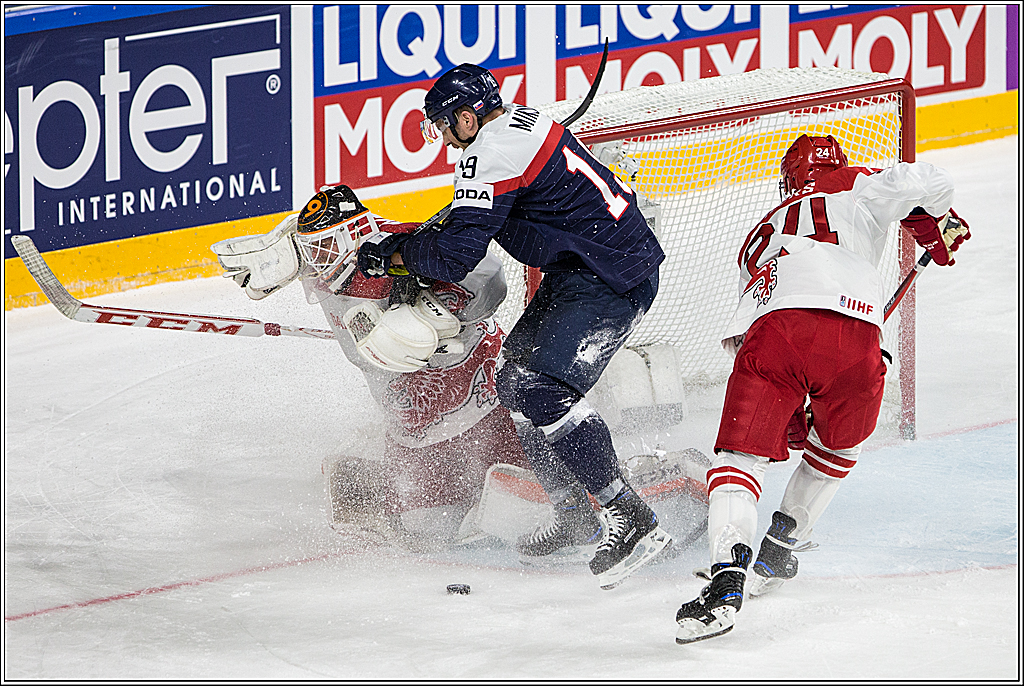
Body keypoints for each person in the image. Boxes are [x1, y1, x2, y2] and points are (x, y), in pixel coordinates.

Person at [355, 63, 673, 589]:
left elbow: (456, 253)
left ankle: (629, 515)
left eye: (444, 125)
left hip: (609, 275)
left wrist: (394, 257)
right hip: (591, 265)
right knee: (513, 382)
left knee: (541, 387)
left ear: (466, 116)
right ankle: (575, 513)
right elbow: (475, 217)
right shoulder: (519, 123)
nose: (446, 140)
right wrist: (414, 246)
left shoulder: (489, 151)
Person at [674, 134, 971, 644]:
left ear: (788, 179)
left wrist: (785, 406)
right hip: (855, 336)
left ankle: (726, 581)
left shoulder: (760, 232)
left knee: (739, 460)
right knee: (838, 445)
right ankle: (783, 542)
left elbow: (754, 322)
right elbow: (930, 181)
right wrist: (935, 223)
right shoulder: (857, 185)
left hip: (773, 336)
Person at [212, 184, 532, 551]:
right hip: (410, 421)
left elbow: (490, 275)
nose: (318, 260)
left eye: (325, 247)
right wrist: (275, 259)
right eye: (311, 249)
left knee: (527, 502)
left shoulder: (404, 245)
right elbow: (297, 247)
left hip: (480, 399)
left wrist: (441, 314)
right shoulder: (315, 259)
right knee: (422, 529)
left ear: (355, 232)